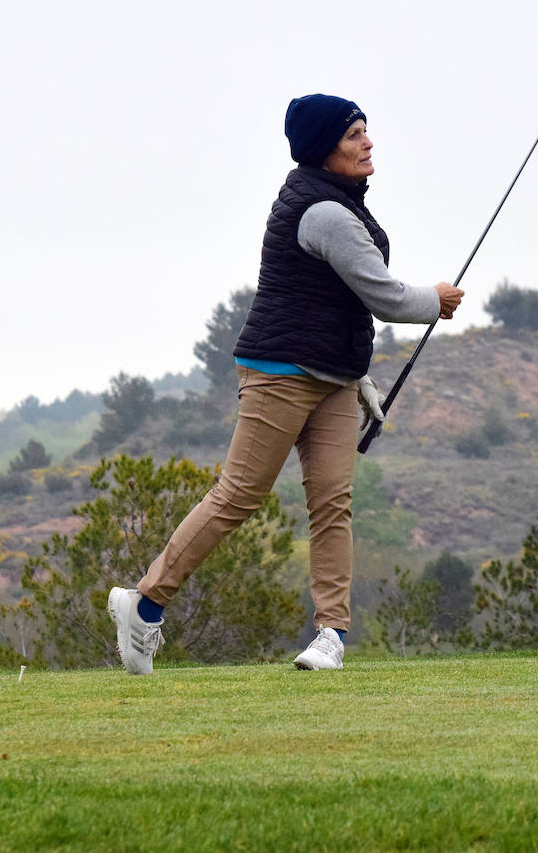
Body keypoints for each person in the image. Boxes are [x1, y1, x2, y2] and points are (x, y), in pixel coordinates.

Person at [107, 93, 464, 673]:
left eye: (366, 131)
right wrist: (436, 301)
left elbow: (339, 305)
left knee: (333, 505)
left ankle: (331, 635)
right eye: (354, 135)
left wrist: (360, 377)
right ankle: (145, 605)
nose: (368, 142)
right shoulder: (322, 211)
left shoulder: (343, 204)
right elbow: (384, 296)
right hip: (281, 375)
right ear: (324, 148)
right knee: (240, 495)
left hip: (334, 379)